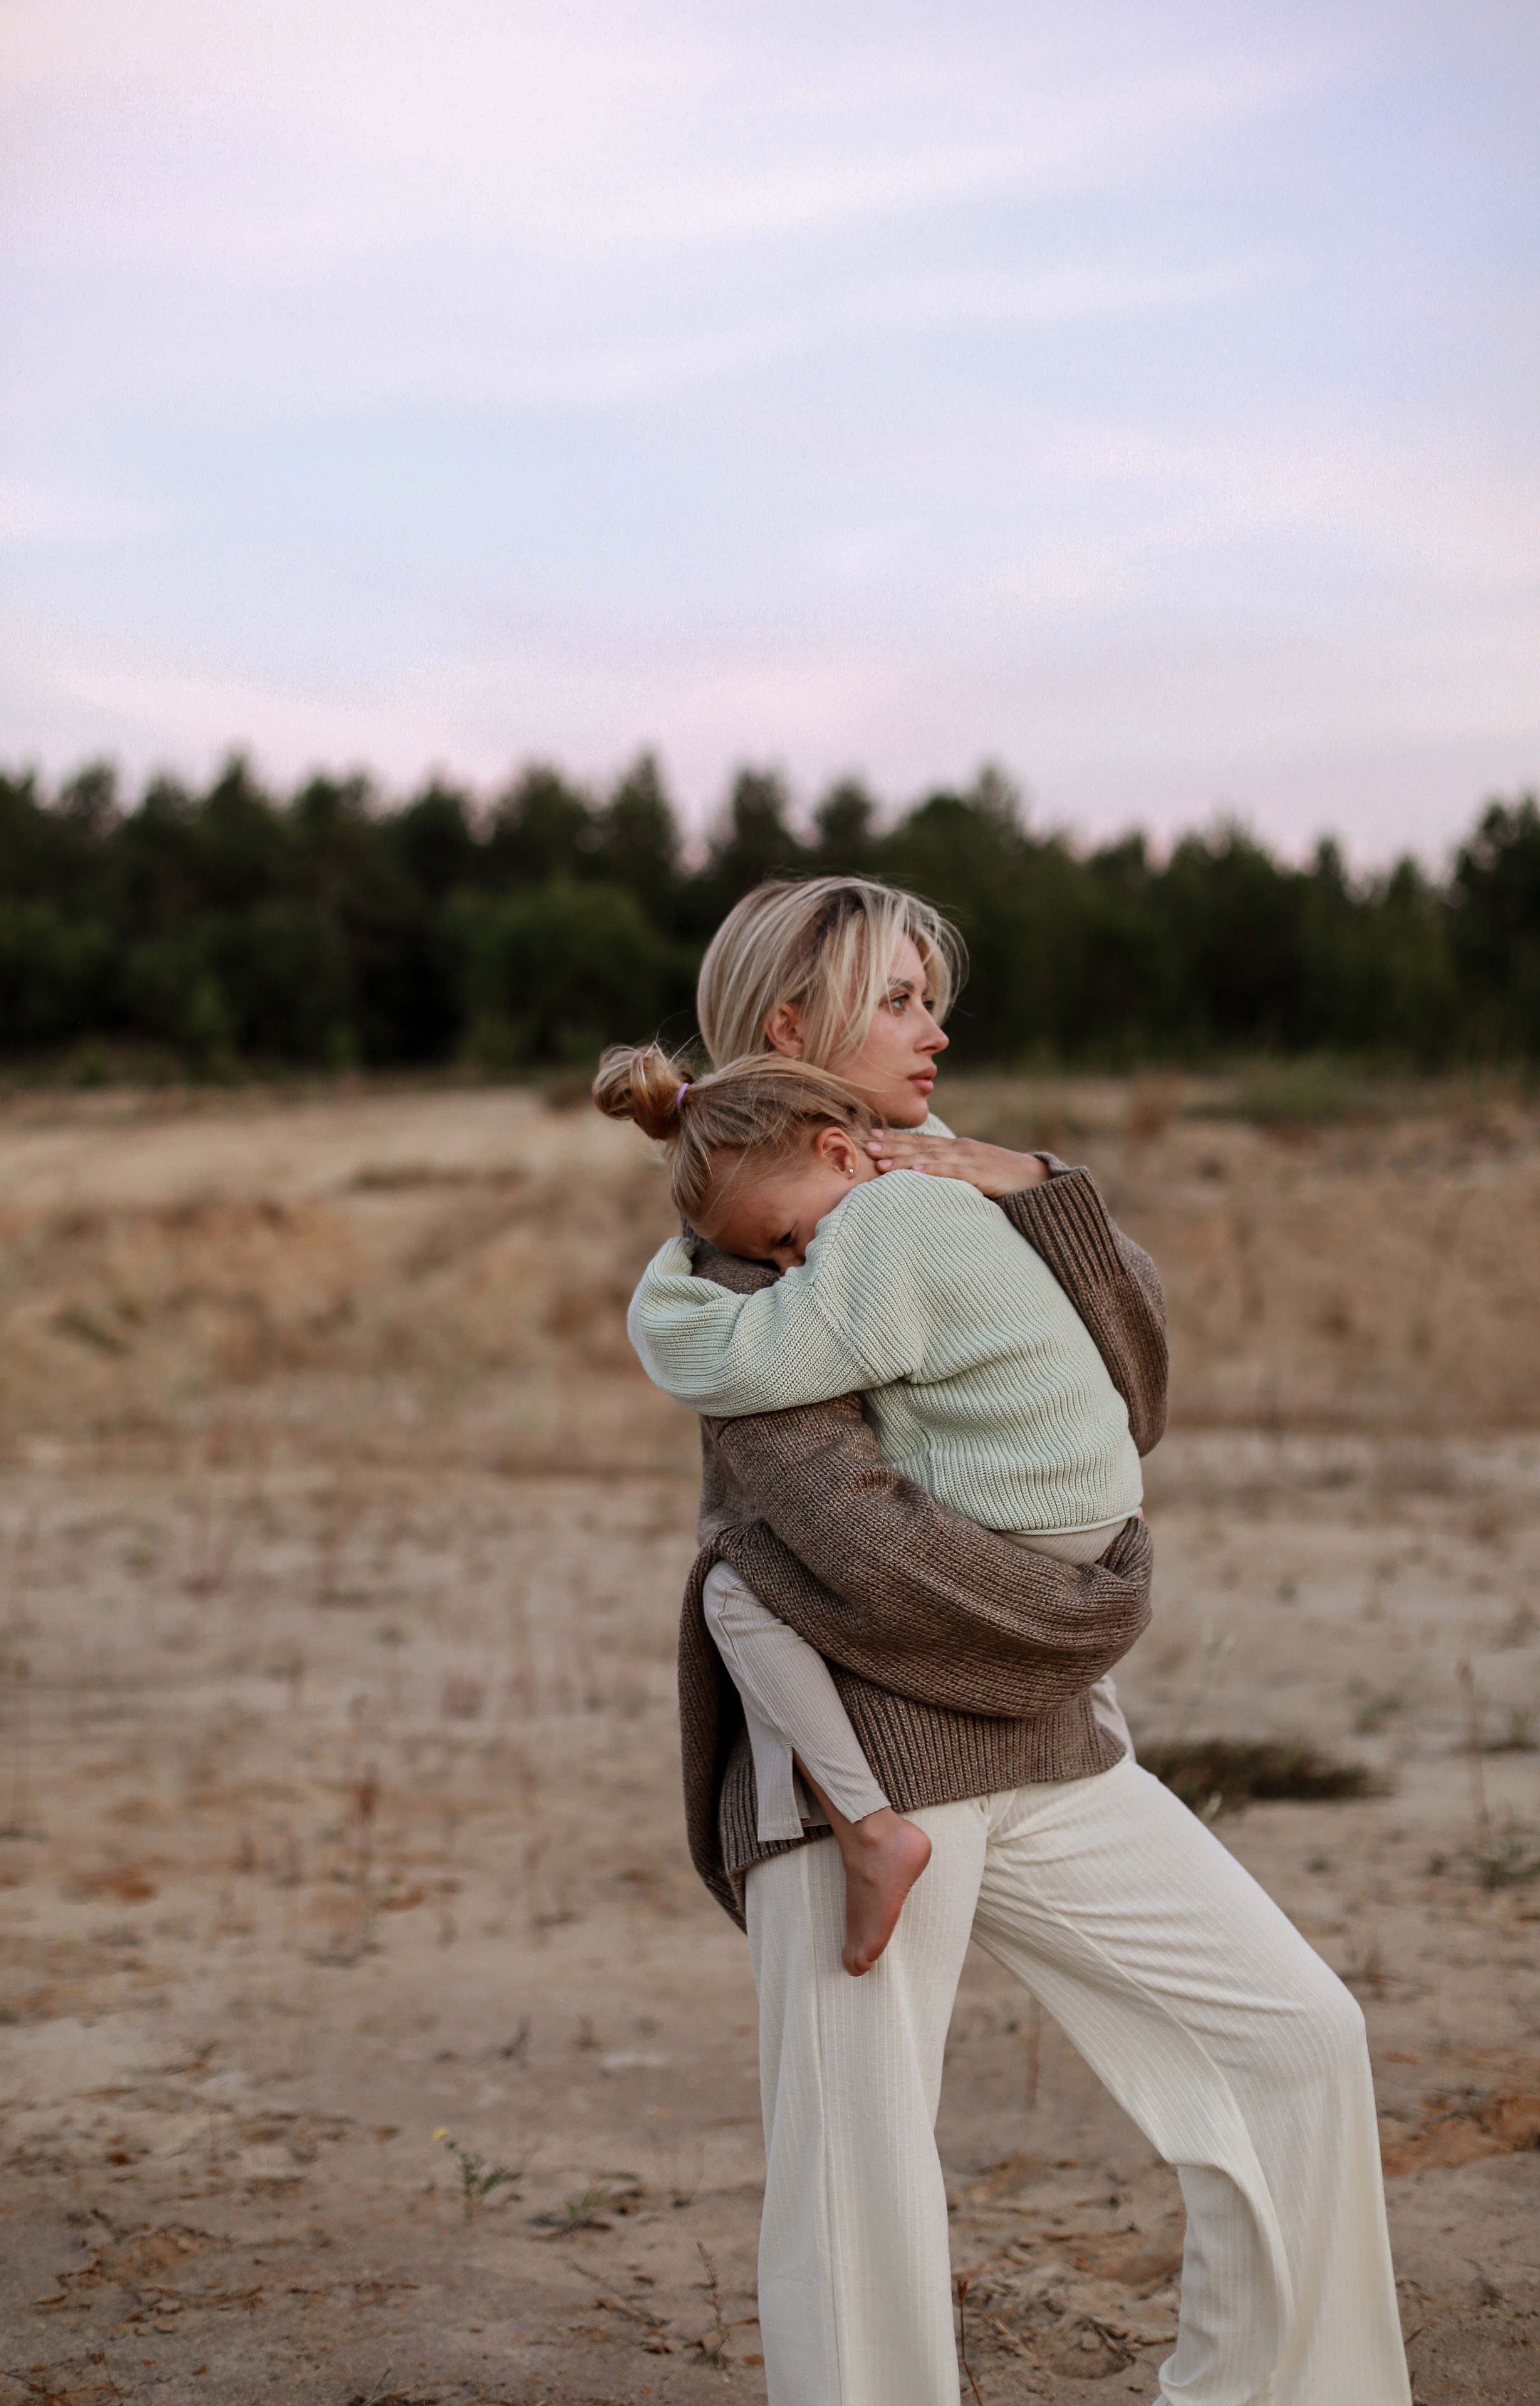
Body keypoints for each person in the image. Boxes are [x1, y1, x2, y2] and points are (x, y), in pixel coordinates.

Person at [607, 875, 1411, 2406]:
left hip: (1039, 1738)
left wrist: (1037, 1184)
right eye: (899, 999)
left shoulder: (941, 1201)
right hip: (862, 1782)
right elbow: (853, 1548)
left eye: (930, 996)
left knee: (1295, 2039)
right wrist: (1085, 1616)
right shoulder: (745, 1255)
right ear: (794, 1029)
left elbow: (1132, 1405)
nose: (937, 1026)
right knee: (855, 2196)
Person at [596, 1043, 1145, 1977]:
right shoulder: (944, 1203)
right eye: (769, 1255)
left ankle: (869, 1828)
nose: (792, 1259)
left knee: (737, 1589)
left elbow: (742, 1360)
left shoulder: (884, 1228)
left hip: (1025, 1526)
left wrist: (665, 1287)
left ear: (842, 1155)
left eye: (781, 1237)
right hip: (1083, 1508)